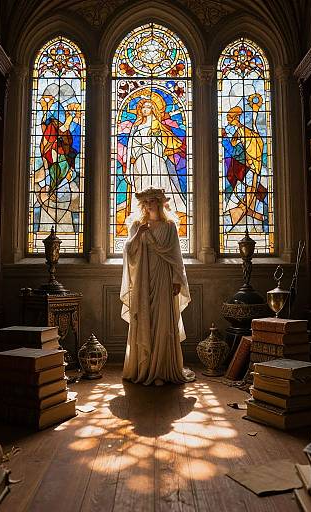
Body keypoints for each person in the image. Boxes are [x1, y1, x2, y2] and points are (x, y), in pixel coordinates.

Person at [120, 187, 195, 385]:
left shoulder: (169, 226)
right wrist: (139, 234)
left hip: (163, 276)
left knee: (163, 322)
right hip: (144, 278)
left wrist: (177, 280)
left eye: (151, 201)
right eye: (145, 202)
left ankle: (161, 370)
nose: (148, 205)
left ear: (160, 203)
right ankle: (145, 368)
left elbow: (176, 257)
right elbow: (129, 250)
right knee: (145, 318)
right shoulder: (137, 224)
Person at [125, 96, 186, 215]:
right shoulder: (136, 126)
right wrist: (128, 168)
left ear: (153, 109)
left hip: (155, 160)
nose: (144, 109)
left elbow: (163, 144)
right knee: (141, 185)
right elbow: (130, 147)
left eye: (148, 107)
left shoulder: (158, 125)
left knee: (157, 184)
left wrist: (154, 145)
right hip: (140, 161)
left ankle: (161, 214)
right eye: (143, 107)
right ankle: (140, 213)